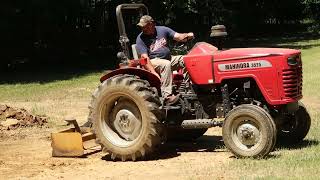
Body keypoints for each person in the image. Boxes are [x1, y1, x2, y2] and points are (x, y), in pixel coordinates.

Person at [136, 15, 194, 104]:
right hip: (153, 61)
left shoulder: (162, 30)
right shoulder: (140, 39)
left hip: (168, 58)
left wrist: (187, 35)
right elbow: (145, 58)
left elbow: (178, 36)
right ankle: (167, 96)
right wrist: (153, 73)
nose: (143, 29)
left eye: (145, 26)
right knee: (166, 64)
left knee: (186, 59)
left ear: (151, 24)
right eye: (141, 27)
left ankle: (190, 87)